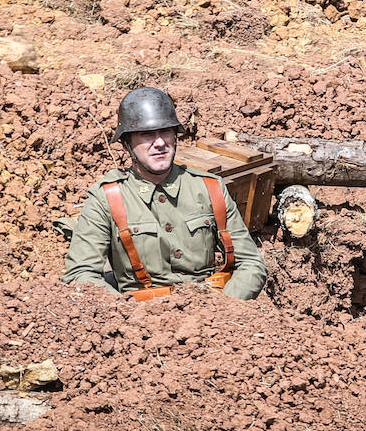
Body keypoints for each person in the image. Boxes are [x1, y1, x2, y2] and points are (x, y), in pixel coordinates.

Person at [62, 87, 268, 299]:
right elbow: (80, 273)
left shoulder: (209, 188)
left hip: (209, 311)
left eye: (166, 131)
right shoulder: (107, 197)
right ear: (127, 145)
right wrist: (125, 312)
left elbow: (251, 263)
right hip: (142, 319)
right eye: (147, 134)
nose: (159, 143)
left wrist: (226, 307)